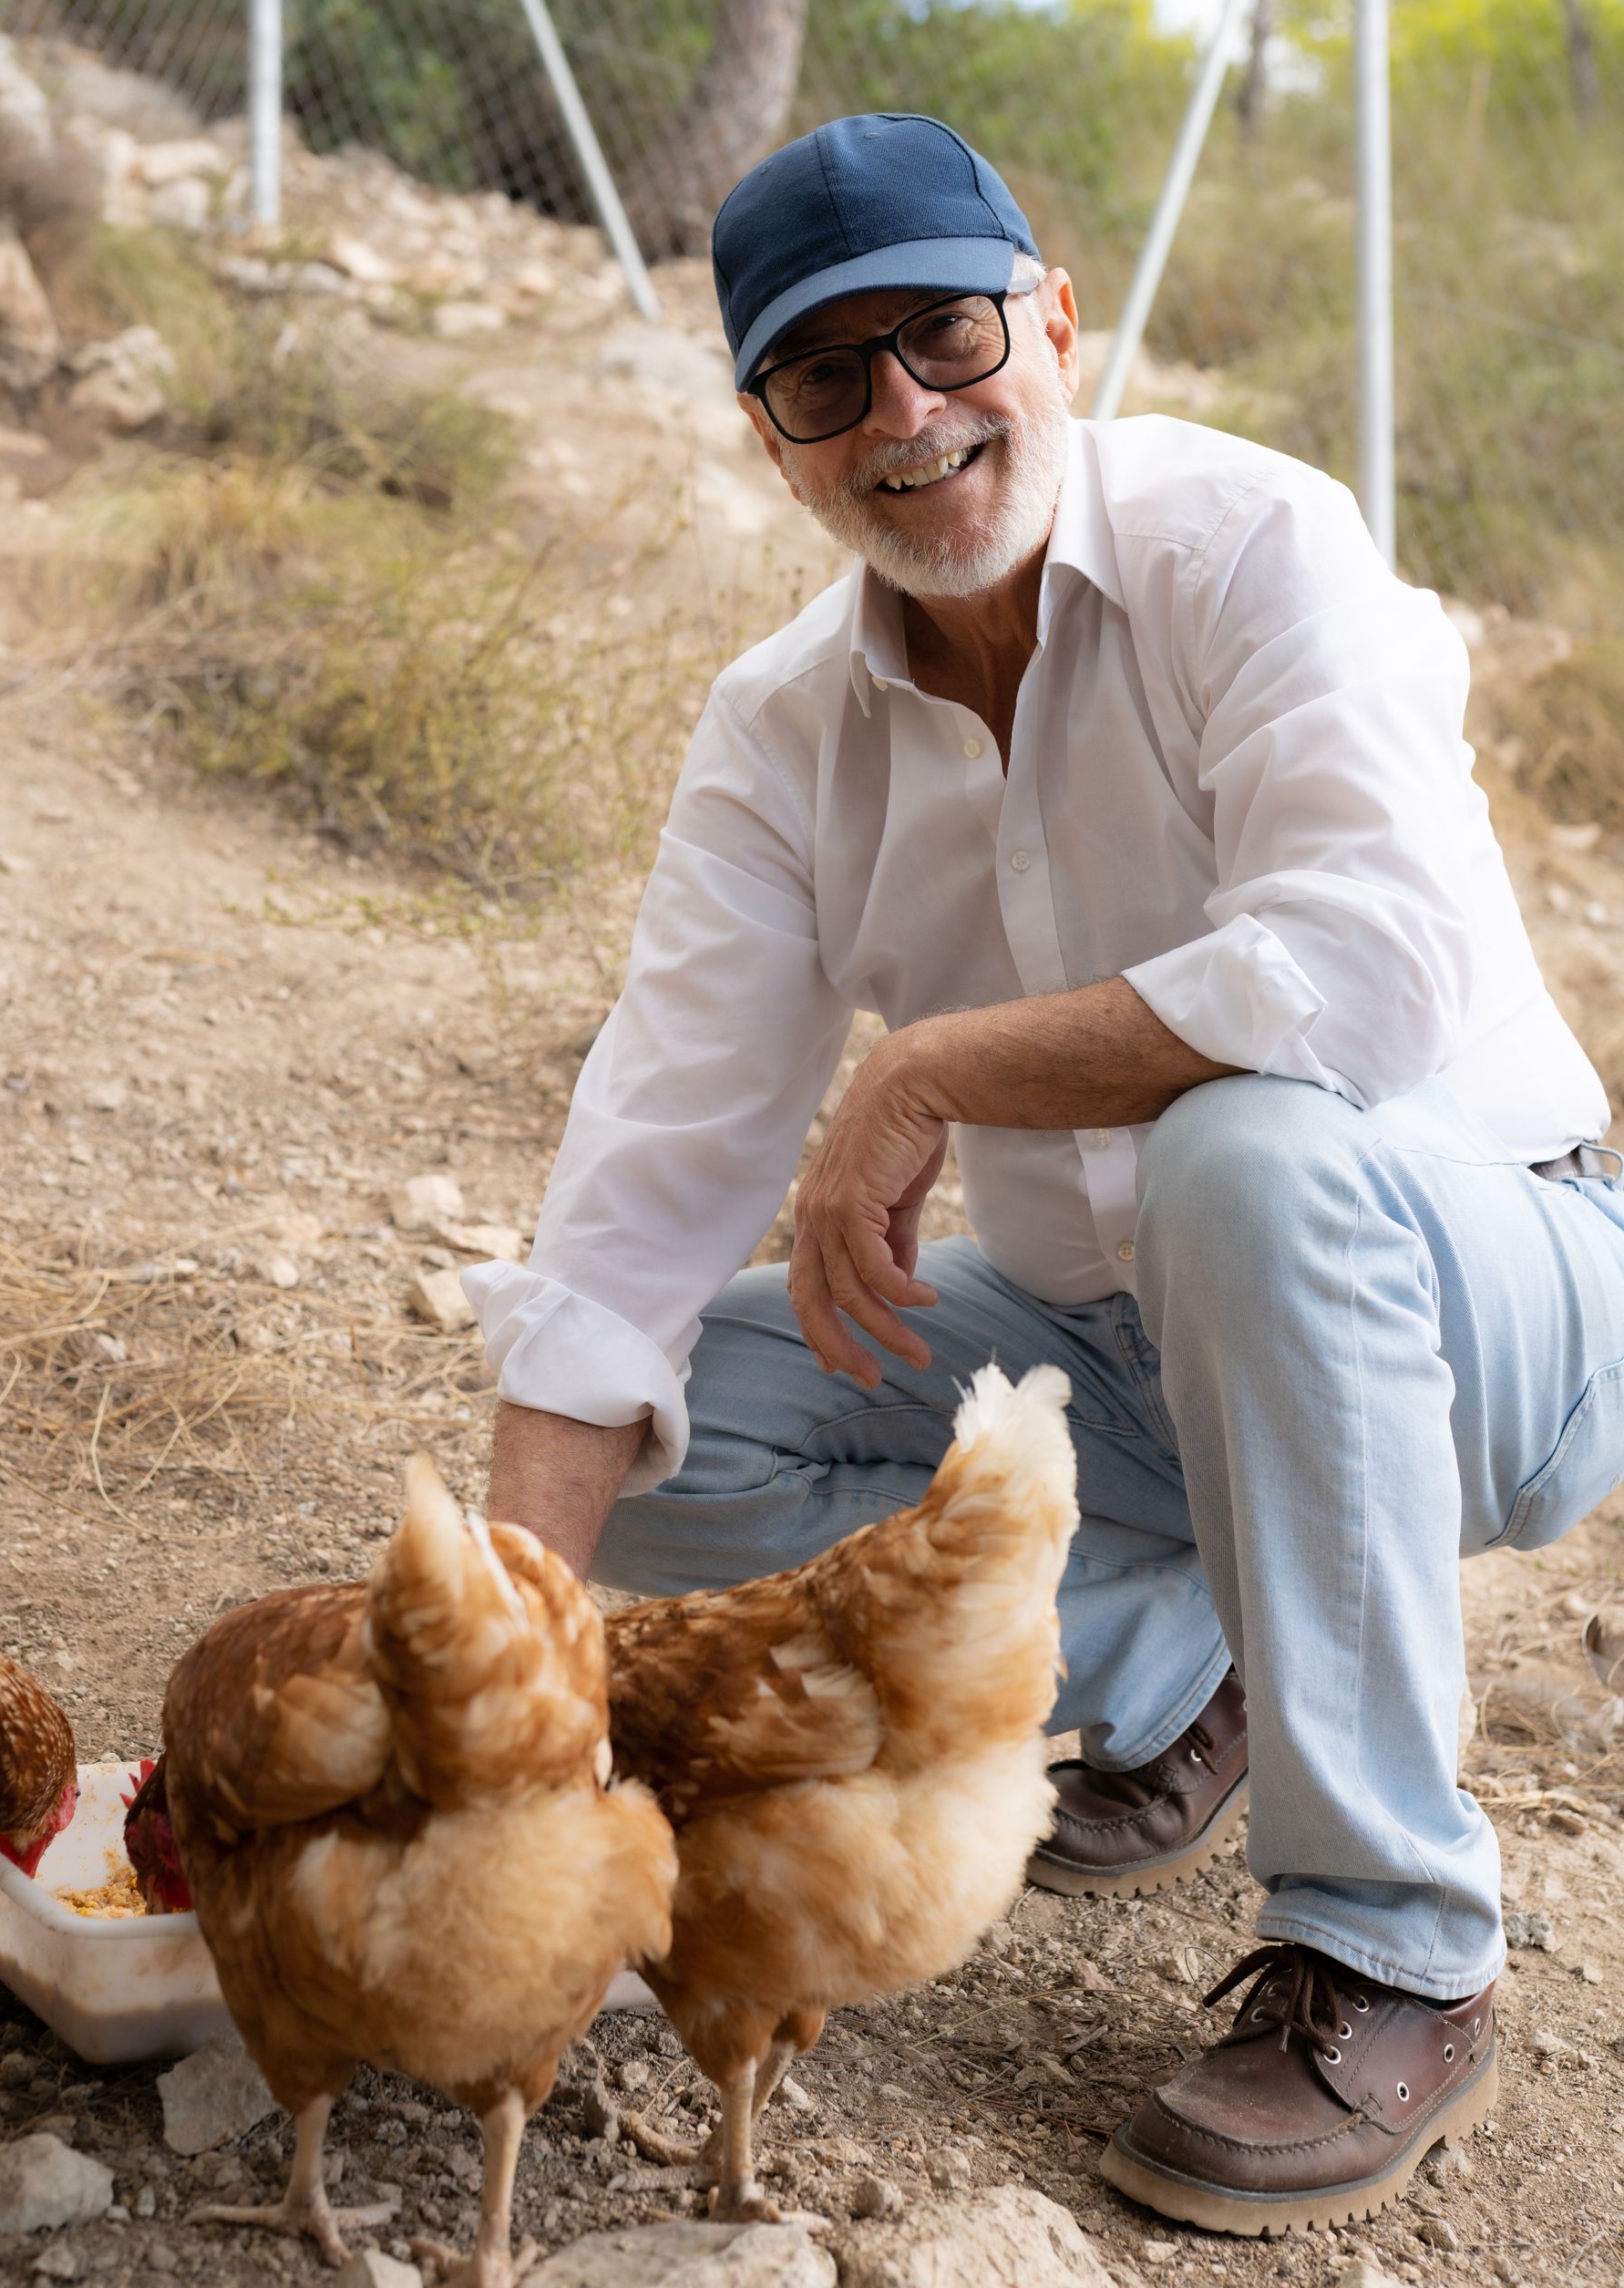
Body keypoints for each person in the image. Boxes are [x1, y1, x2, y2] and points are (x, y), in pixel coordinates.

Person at [468, 111, 1623, 2234]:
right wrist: (499, 1686)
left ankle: (1398, 1947)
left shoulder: (1254, 541)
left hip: (1491, 1302)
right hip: (1124, 1353)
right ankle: (1201, 1662)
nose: (908, 412)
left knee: (1246, 1152)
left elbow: (1365, 968)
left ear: (1057, 326)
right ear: (773, 441)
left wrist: (934, 1069)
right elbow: (650, 1162)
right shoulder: (776, 728)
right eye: (834, 378)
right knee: (647, 1426)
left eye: (949, 334)